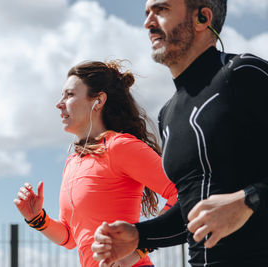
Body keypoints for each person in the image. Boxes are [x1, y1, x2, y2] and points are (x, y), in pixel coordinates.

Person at [91, 0, 268, 266]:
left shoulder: (243, 74)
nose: (148, 22)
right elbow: (190, 210)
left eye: (161, 10)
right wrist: (140, 235)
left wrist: (249, 199)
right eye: (147, 12)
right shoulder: (168, 114)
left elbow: (236, 203)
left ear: (202, 18)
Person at [14, 60, 178, 267]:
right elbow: (71, 238)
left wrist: (137, 249)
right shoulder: (73, 162)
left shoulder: (120, 146)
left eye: (70, 95)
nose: (59, 103)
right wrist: (37, 218)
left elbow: (182, 191)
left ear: (98, 101)